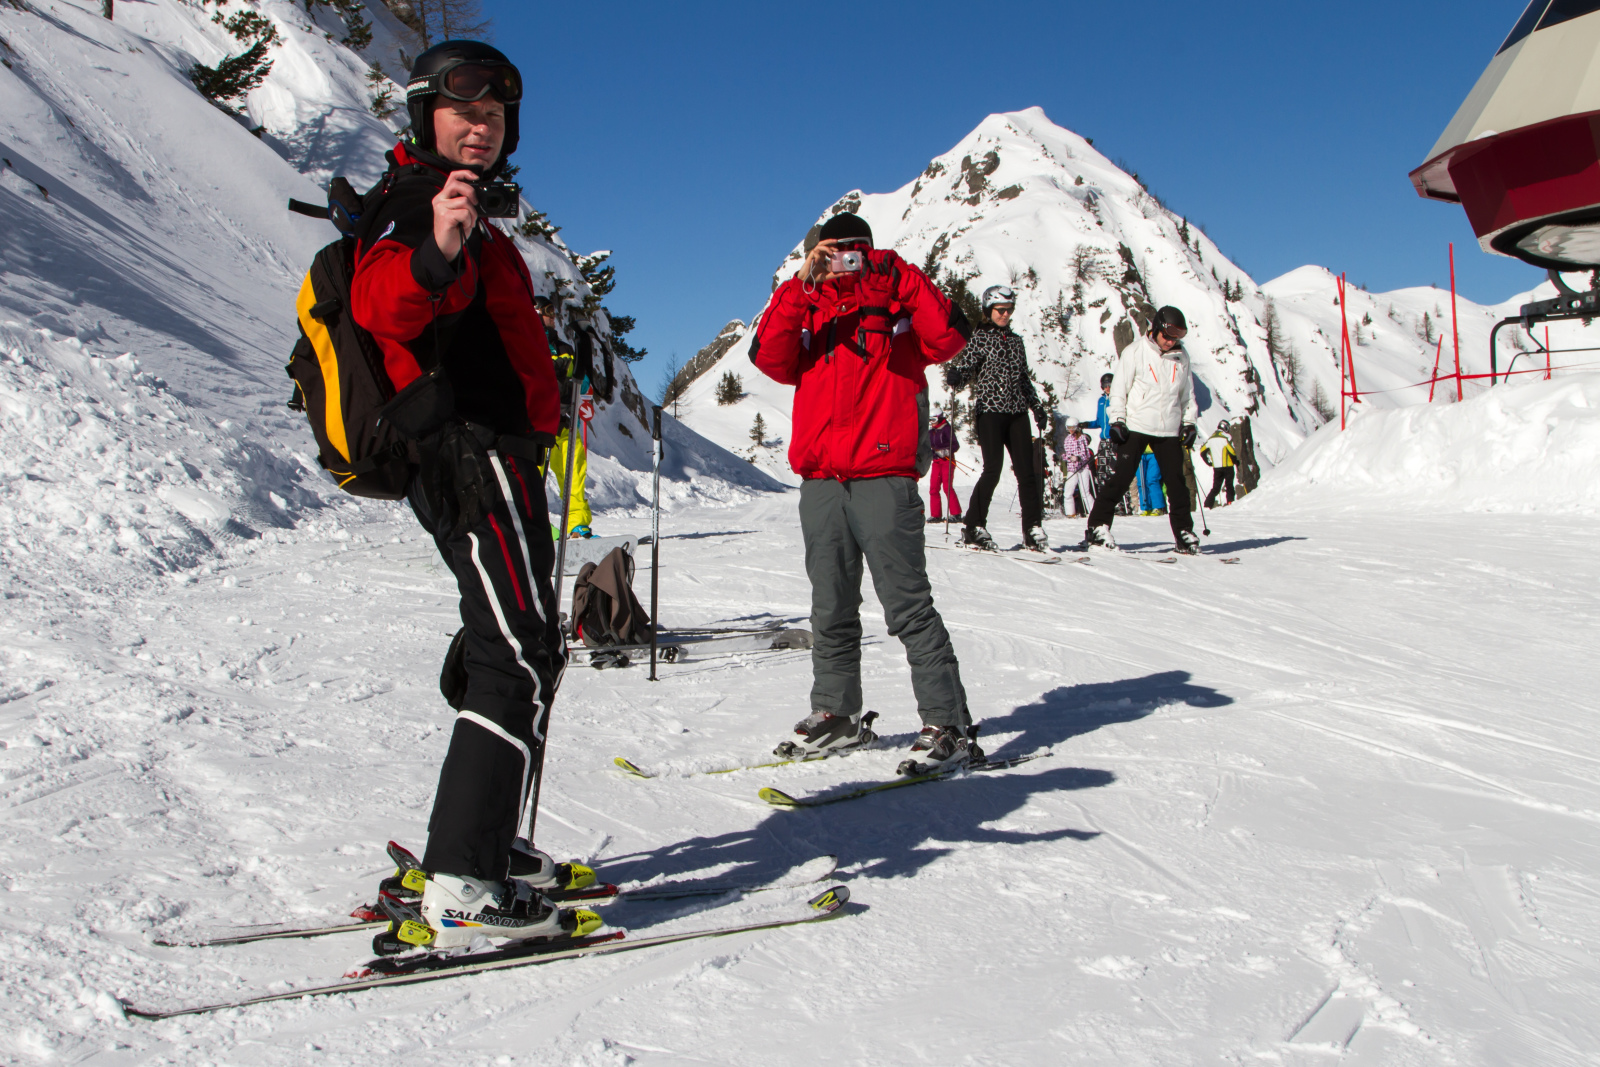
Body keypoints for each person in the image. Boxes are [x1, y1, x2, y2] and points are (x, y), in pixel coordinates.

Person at [349, 40, 597, 952]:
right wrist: (433, 250)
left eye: (494, 115)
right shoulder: (421, 202)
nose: (481, 126)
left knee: (521, 641)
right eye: (464, 111)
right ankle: (462, 878)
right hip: (468, 454)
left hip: (502, 452)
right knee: (513, 651)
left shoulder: (473, 214)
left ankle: (481, 836)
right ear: (426, 115)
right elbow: (382, 302)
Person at [749, 212, 981, 772]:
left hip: (884, 478)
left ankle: (948, 724)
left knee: (908, 607)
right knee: (829, 607)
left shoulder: (901, 307)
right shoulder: (809, 310)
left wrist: (896, 274)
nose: (843, 260)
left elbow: (950, 336)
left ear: (871, 250)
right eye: (831, 251)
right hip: (822, 484)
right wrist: (801, 287)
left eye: (854, 250)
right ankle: (837, 715)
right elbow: (768, 358)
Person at [1082, 306, 1200, 554]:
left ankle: (1184, 533)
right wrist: (1117, 420)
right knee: (1121, 478)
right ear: (1156, 329)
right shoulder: (1135, 352)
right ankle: (1097, 528)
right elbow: (1119, 390)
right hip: (1136, 425)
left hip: (1168, 428)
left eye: (1176, 337)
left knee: (1177, 484)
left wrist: (1189, 423)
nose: (1171, 341)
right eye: (1167, 336)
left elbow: (1187, 394)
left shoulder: (1182, 357)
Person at [943, 285, 1049, 552]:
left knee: (1027, 473)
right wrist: (957, 376)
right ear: (988, 310)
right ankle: (974, 526)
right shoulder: (980, 338)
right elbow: (966, 365)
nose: (1005, 314)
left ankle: (1032, 528)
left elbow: (1023, 379)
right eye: (1000, 310)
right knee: (992, 469)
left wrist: (1036, 406)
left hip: (1017, 413)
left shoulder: (1016, 341)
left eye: (1009, 310)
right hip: (990, 412)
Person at [536, 295, 614, 539]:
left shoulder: (564, 350)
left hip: (563, 422)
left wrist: (578, 383)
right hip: (534, 424)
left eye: (553, 311)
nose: (553, 317)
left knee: (573, 474)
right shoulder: (525, 345)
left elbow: (581, 383)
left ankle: (578, 525)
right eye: (548, 311)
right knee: (531, 476)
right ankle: (535, 527)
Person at [926, 410, 962, 522]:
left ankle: (956, 514)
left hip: (947, 461)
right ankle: (936, 515)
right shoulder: (931, 432)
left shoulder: (947, 429)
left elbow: (955, 445)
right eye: (930, 420)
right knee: (933, 488)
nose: (931, 422)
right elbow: (928, 446)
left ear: (939, 418)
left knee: (947, 487)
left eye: (933, 420)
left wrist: (946, 451)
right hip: (936, 461)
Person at [1057, 416, 1095, 518]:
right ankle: (1070, 513)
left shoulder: (1082, 438)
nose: (1071, 430)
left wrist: (1078, 457)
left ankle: (1093, 512)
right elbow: (1068, 454)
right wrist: (1062, 457)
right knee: (1068, 492)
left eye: (1073, 427)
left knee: (1085, 492)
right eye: (1069, 427)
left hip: (1082, 468)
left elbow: (1086, 454)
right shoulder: (1067, 439)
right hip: (1071, 468)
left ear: (1077, 427)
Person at [1201, 421, 1237, 507]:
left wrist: (1208, 462)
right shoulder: (1225, 438)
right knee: (1229, 485)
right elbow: (1232, 452)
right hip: (1228, 466)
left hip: (1217, 467)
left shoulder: (1210, 439)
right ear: (1225, 427)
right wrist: (1235, 461)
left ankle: (1207, 504)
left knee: (1216, 488)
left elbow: (1202, 452)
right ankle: (1230, 502)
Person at [1136, 445, 1166, 515]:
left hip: (1154, 452)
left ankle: (1157, 507)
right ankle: (1145, 507)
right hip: (1139, 452)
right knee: (1141, 481)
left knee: (1152, 479)